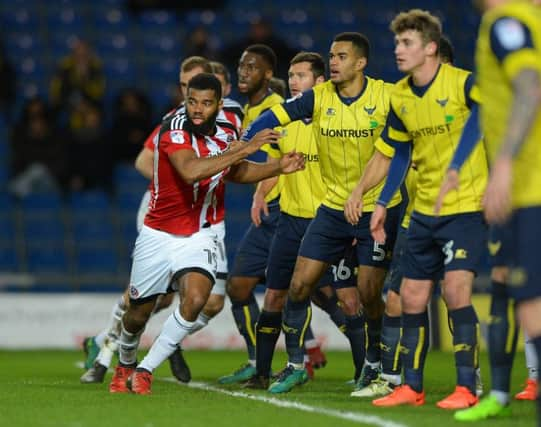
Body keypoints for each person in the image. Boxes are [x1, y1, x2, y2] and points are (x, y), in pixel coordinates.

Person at [109, 73, 304, 395]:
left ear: (218, 105)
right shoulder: (173, 128)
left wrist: (277, 167)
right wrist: (247, 148)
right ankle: (126, 359)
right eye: (192, 102)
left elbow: (235, 172)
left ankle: (145, 370)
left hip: (201, 232)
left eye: (205, 103)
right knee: (138, 314)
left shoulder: (228, 131)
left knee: (197, 299)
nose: (197, 109)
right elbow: (191, 171)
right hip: (158, 232)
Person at [343, 10, 488, 409]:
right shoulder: (401, 96)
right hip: (422, 210)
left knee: (456, 291)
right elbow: (400, 151)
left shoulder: (464, 84)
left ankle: (466, 387)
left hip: (465, 206)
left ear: (431, 48)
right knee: (409, 296)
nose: (398, 51)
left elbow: (484, 119)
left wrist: (460, 166)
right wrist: (384, 202)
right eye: (396, 43)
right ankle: (412, 385)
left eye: (406, 44)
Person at [242, 32, 402, 391]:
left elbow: (395, 150)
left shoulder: (386, 97)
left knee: (368, 293)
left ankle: (375, 364)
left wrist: (365, 192)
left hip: (377, 207)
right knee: (298, 285)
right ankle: (297, 363)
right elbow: (276, 114)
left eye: (341, 56)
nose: (333, 62)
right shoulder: (319, 97)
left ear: (360, 63)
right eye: (331, 55)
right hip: (332, 208)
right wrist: (246, 140)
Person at [80, 56, 240, 384]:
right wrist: (175, 187)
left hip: (204, 221)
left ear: (222, 90)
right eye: (184, 89)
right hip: (165, 214)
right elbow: (144, 161)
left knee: (210, 302)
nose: (189, 98)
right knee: (150, 297)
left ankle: (162, 342)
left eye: (195, 87)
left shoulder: (232, 116)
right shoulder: (174, 122)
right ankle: (105, 351)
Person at [434, 0, 541, 421]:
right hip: (523, 187)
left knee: (530, 302)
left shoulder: (506, 22)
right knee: (515, 291)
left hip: (529, 187)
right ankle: (498, 392)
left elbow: (530, 87)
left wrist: (506, 165)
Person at [240, 52, 354, 392]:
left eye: (301, 75)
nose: (293, 81)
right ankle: (263, 372)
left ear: (319, 82)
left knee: (345, 299)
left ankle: (370, 368)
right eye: (291, 75)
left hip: (327, 222)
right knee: (275, 296)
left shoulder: (333, 121)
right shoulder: (284, 123)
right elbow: (274, 165)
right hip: (289, 223)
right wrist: (261, 194)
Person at [217, 44, 285, 384]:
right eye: (241, 65)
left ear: (268, 74)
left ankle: (372, 362)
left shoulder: (277, 109)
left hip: (286, 208)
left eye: (252, 66)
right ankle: (259, 360)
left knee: (327, 291)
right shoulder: (249, 109)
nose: (243, 71)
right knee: (240, 286)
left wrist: (260, 191)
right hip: (268, 212)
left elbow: (283, 159)